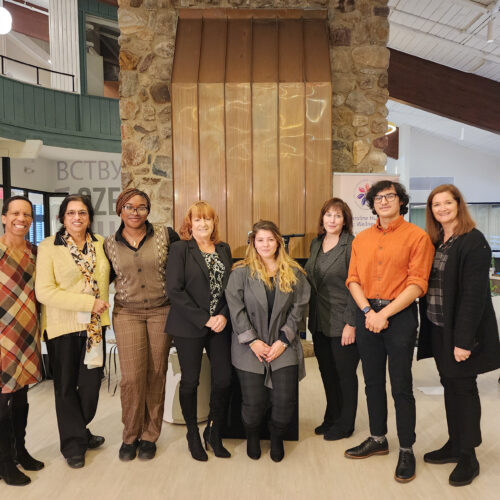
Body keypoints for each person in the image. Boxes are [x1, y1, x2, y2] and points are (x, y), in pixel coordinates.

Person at [344, 180, 434, 483]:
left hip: (400, 317)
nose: (383, 201)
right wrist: (369, 312)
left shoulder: (417, 237)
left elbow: (418, 283)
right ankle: (378, 438)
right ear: (372, 204)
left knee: (400, 385)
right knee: (371, 382)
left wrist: (384, 313)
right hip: (368, 315)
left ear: (401, 201)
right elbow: (353, 278)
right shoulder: (362, 239)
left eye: (389, 196)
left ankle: (406, 447)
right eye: (378, 198)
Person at [417, 184, 500, 487]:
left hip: (461, 334)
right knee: (450, 385)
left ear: (458, 204)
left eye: (447, 203)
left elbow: (475, 297)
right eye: (436, 204)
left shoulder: (473, 241)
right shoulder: (438, 240)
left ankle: (468, 455)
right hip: (440, 329)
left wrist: (463, 342)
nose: (441, 208)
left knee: (463, 388)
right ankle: (454, 443)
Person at [225, 220, 310, 462]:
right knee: (253, 405)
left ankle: (276, 437)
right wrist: (253, 341)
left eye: (270, 239)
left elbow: (299, 307)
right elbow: (236, 310)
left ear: (279, 242)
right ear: (253, 242)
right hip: (249, 346)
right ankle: (252, 435)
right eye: (260, 240)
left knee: (284, 403)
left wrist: (283, 340)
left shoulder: (294, 272)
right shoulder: (240, 272)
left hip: (283, 344)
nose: (265, 244)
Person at [104, 188, 179, 461]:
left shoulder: (165, 236)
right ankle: (130, 435)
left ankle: (150, 435)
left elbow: (179, 270)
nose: (135, 212)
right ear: (119, 210)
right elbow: (103, 278)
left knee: (156, 373)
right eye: (129, 207)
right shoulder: (109, 244)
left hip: (161, 311)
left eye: (141, 207)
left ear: (148, 210)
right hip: (127, 313)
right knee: (132, 377)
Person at [35, 194, 110, 469]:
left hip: (94, 328)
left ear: (89, 216)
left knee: (91, 387)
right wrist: (88, 303)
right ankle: (73, 446)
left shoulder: (100, 244)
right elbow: (44, 291)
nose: (76, 218)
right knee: (66, 388)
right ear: (62, 217)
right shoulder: (48, 247)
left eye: (82, 213)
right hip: (62, 327)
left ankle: (79, 430)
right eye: (70, 213)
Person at [166, 201, 233, 461]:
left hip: (220, 325)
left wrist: (223, 316)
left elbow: (232, 289)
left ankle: (213, 432)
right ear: (189, 224)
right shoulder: (180, 249)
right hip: (189, 325)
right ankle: (193, 432)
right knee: (191, 380)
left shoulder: (224, 249)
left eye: (208, 219)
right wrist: (205, 319)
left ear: (214, 222)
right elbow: (174, 290)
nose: (203, 223)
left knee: (224, 379)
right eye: (197, 219)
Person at [304, 198, 359, 441]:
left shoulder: (352, 246)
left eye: (338, 215)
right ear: (322, 218)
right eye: (328, 215)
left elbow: (358, 286)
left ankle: (346, 424)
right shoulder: (316, 243)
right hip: (319, 321)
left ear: (345, 220)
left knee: (344, 375)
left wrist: (352, 323)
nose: (332, 220)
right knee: (327, 372)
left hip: (343, 321)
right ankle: (332, 417)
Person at [0, 196, 44, 486]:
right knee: (2, 399)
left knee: (21, 396)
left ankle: (20, 451)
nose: (21, 218)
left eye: (27, 214)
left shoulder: (35, 251)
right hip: (1, 334)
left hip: (27, 331)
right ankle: (4, 462)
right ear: (4, 217)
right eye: (15, 213)